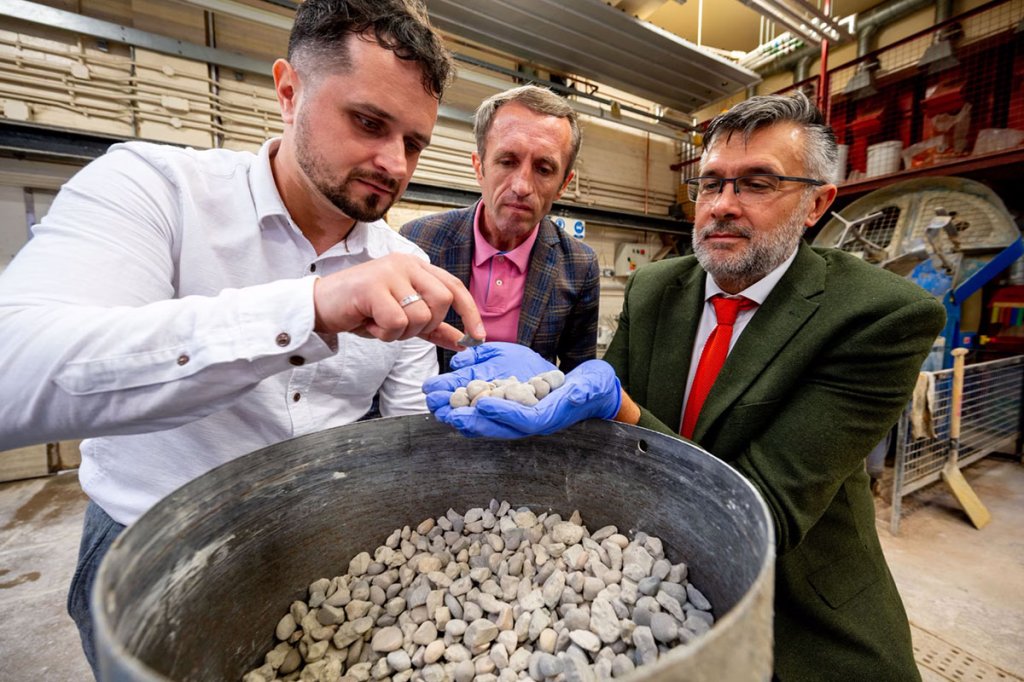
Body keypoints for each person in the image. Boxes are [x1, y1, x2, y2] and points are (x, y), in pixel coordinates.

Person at [0, 0, 485, 673]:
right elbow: (12, 371)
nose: (394, 163)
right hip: (144, 543)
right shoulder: (154, 190)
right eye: (368, 122)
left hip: (324, 542)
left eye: (414, 142)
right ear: (289, 91)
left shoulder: (408, 271)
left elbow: (405, 435)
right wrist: (309, 308)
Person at [425, 92, 946, 681]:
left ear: (815, 204)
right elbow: (603, 444)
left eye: (756, 183)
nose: (723, 206)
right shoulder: (655, 288)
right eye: (711, 184)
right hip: (645, 577)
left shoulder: (879, 316)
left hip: (797, 611)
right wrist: (552, 392)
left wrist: (619, 406)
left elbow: (764, 513)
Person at [401, 85, 599, 372]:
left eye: (544, 169)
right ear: (479, 166)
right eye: (507, 161)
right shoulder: (417, 243)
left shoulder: (579, 266)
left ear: (563, 186)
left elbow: (578, 375)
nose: (521, 187)